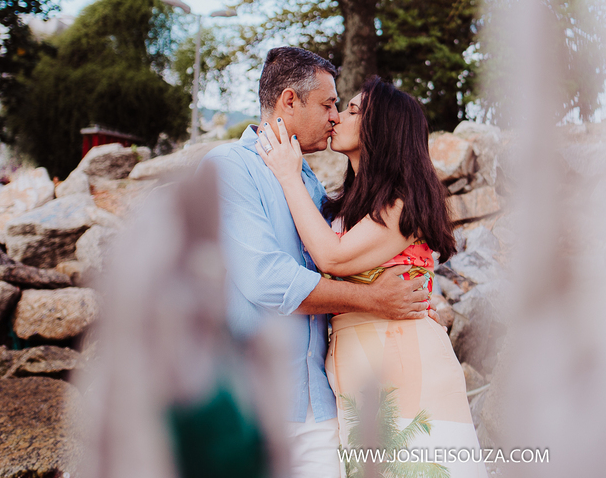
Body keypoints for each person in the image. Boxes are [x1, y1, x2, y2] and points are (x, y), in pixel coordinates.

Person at [200, 48, 432, 478]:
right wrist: (373, 299)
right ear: (290, 101)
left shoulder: (308, 181)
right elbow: (268, 281)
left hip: (320, 407)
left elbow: (349, 252)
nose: (333, 116)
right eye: (328, 104)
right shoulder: (229, 168)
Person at [257, 76, 488, 478]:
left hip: (404, 365)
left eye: (350, 110)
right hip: (358, 370)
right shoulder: (350, 203)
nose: (336, 118)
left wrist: (289, 176)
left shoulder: (402, 199)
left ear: (381, 128)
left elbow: (332, 257)